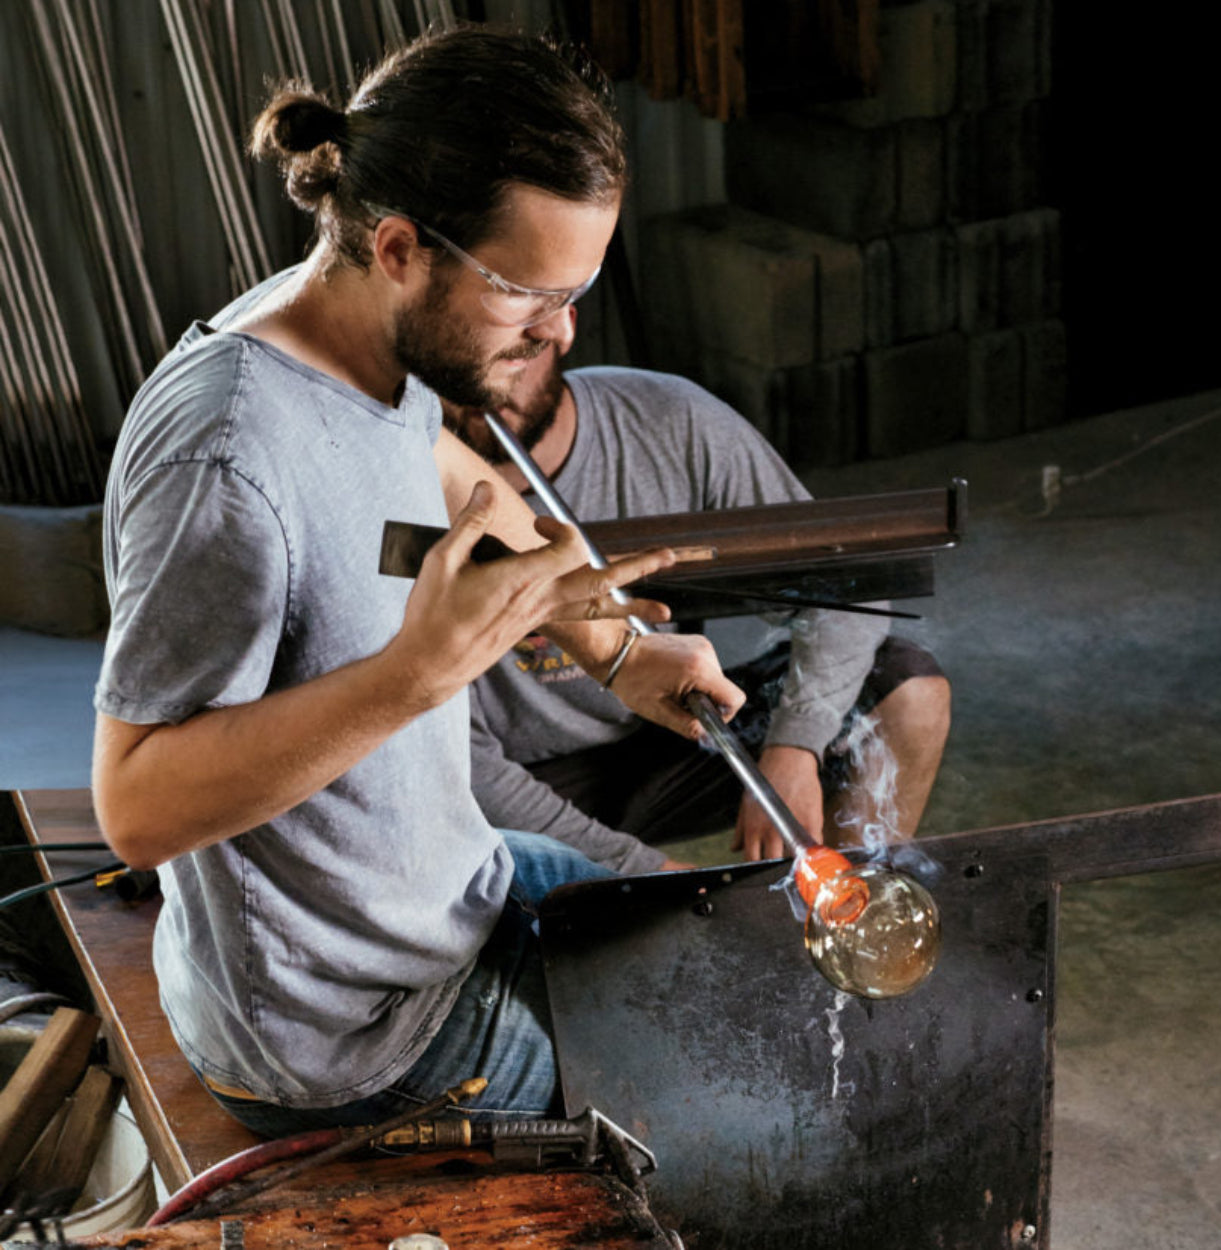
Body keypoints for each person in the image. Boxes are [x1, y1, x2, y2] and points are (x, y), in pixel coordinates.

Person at [90, 26, 745, 1136]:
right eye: (526, 295)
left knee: (710, 953)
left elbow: (442, 469)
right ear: (398, 247)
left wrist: (615, 649)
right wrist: (414, 677)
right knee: (714, 1103)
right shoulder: (226, 460)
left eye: (575, 290)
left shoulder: (365, 340)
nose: (559, 332)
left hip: (444, 886)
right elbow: (135, 808)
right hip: (338, 1031)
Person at [441, 309, 952, 875]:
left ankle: (851, 914)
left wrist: (795, 745)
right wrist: (648, 875)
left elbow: (841, 592)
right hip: (513, 781)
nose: (489, 390)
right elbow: (462, 766)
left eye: (516, 358)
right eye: (458, 372)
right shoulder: (410, 478)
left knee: (905, 690)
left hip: (664, 727)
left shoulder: (669, 419)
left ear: (561, 329)